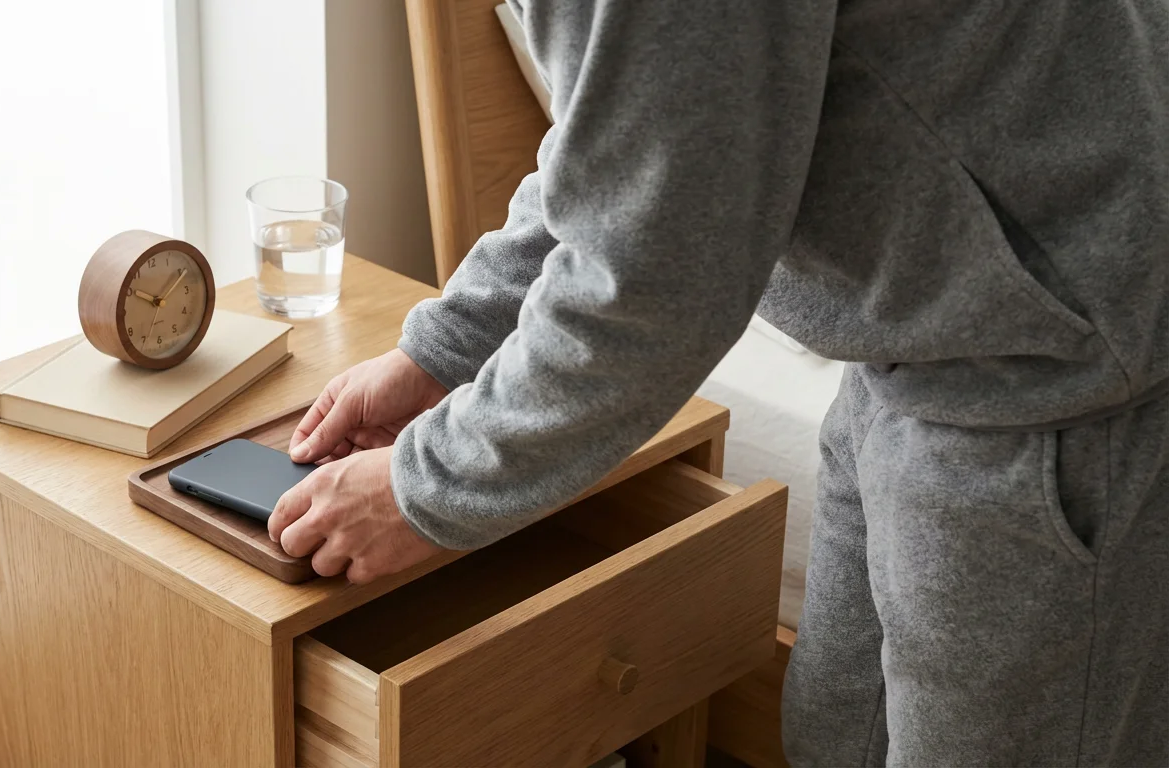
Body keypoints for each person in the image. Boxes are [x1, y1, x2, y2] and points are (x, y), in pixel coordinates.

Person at [266, 0, 1169, 764]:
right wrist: (443, 351)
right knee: (833, 736)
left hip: (1060, 364)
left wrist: (426, 487)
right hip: (931, 341)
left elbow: (650, 280)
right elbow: (630, 145)